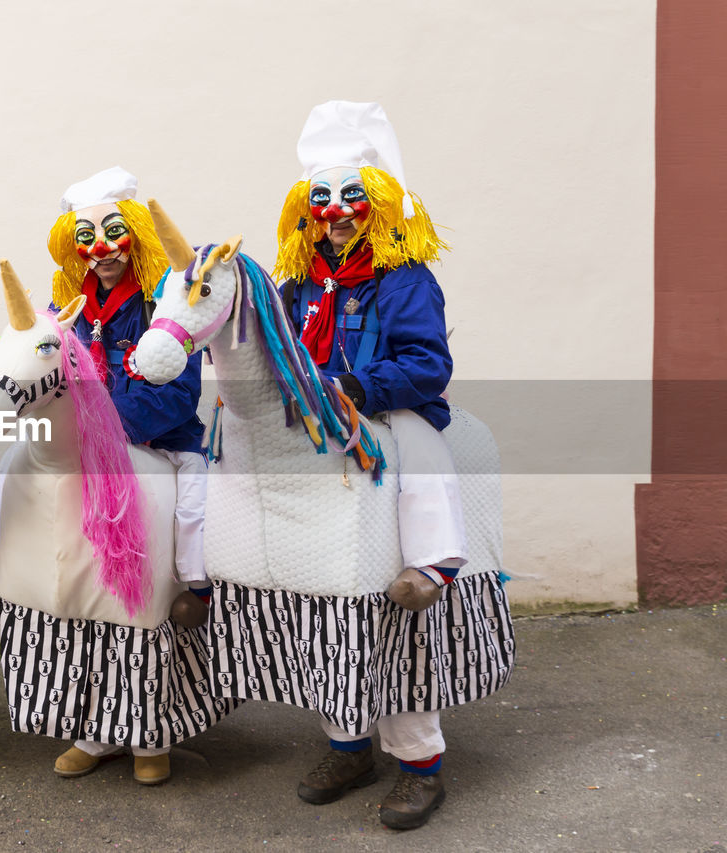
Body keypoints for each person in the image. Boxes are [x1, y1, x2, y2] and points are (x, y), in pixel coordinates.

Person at [273, 101, 466, 828]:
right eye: (321, 200)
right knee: (322, 605)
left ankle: (420, 763)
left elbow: (426, 364)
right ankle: (348, 744)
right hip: (317, 436)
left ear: (379, 205)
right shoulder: (295, 286)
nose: (336, 212)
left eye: (351, 198)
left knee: (418, 444)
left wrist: (356, 386)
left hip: (384, 419)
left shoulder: (405, 276)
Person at [47, 166, 211, 782]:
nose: (101, 249)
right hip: (85, 450)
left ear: (135, 235)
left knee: (152, 577)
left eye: (113, 233)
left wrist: (107, 430)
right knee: (83, 593)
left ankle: (150, 734)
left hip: (159, 445)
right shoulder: (67, 304)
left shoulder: (162, 301)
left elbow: (177, 392)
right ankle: (94, 732)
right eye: (87, 237)